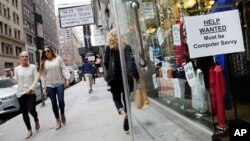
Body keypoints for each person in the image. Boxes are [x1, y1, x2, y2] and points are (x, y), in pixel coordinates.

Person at [104, 29, 139, 131]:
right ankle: (127, 115)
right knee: (126, 99)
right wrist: (137, 77)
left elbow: (106, 63)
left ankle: (124, 115)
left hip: (114, 78)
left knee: (116, 98)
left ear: (110, 37)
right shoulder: (127, 47)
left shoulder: (108, 48)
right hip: (127, 77)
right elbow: (132, 63)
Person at [40, 45, 70, 130]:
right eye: (45, 52)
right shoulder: (43, 62)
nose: (46, 53)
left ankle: (62, 113)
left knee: (61, 101)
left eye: (48, 51)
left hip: (59, 83)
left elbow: (64, 68)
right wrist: (44, 87)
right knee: (53, 103)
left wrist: (67, 79)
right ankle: (57, 120)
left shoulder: (58, 59)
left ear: (51, 51)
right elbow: (43, 76)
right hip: (50, 85)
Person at [14, 51, 40, 139]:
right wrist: (10, 77)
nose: (25, 58)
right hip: (21, 93)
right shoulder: (16, 69)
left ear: (28, 58)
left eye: (26, 56)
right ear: (20, 58)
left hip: (31, 93)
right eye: (23, 56)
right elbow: (16, 81)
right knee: (24, 113)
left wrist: (31, 88)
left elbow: (36, 78)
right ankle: (29, 130)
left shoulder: (33, 67)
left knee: (31, 109)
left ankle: (36, 119)